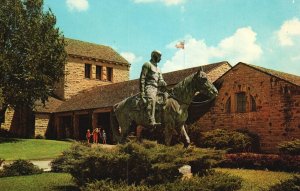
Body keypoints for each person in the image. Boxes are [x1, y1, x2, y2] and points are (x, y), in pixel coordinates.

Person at [140, 50, 167, 126]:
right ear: (154, 56)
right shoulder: (147, 64)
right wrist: (142, 92)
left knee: (167, 98)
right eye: (159, 57)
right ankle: (151, 120)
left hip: (157, 88)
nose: (160, 59)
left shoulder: (159, 69)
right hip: (149, 87)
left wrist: (163, 82)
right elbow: (142, 78)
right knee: (152, 99)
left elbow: (160, 79)